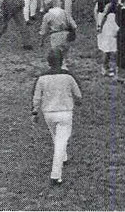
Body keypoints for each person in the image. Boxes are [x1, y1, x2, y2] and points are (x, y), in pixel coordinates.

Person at [31, 49, 83, 186]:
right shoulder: (68, 77)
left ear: (48, 62)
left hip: (48, 113)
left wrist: (35, 112)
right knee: (60, 142)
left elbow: (36, 97)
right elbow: (78, 95)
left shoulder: (42, 78)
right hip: (65, 112)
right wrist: (77, 101)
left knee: (56, 136)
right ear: (62, 61)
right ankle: (55, 175)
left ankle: (64, 157)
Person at [39, 0, 78, 70]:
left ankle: (60, 70)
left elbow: (43, 30)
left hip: (55, 36)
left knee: (57, 55)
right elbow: (74, 25)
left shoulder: (47, 15)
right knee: (65, 54)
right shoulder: (64, 12)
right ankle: (66, 69)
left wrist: (42, 41)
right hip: (66, 35)